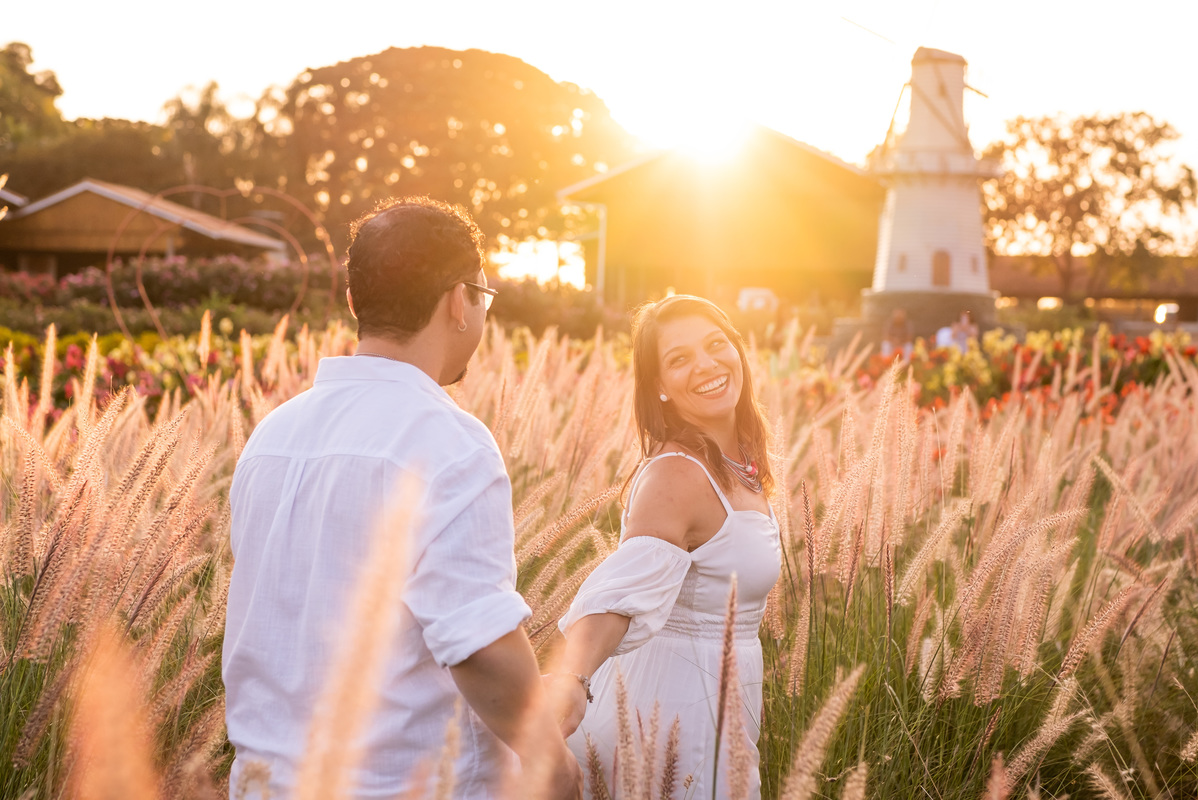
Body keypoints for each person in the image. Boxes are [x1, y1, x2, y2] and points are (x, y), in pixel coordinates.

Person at [222, 197, 581, 800]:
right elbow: (479, 646)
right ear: (457, 302)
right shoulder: (450, 442)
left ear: (356, 301)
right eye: (484, 297)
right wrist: (556, 766)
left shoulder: (271, 436)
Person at [548, 295, 781, 799]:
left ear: (738, 351)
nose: (706, 364)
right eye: (679, 359)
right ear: (659, 387)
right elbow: (621, 592)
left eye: (716, 345)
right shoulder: (678, 474)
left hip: (720, 706)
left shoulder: (739, 465)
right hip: (670, 713)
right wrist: (572, 675)